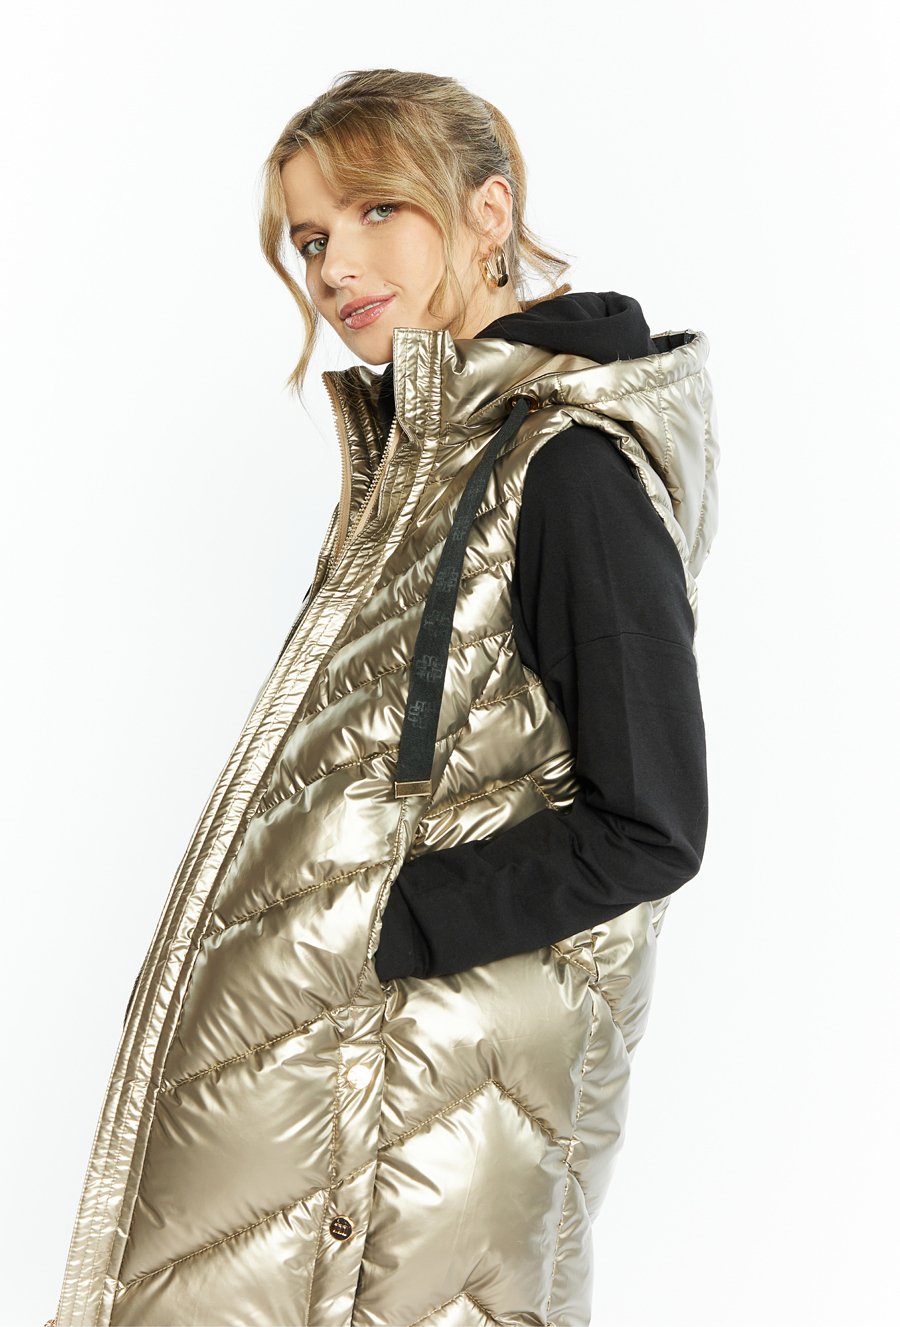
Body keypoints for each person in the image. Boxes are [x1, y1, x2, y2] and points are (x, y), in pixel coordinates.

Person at [48, 69, 719, 1327]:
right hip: (353, 1074)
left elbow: (652, 821)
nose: (335, 266)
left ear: (487, 211)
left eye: (375, 212)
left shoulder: (569, 467)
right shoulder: (432, 457)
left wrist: (384, 926)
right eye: (311, 239)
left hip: (423, 1102)